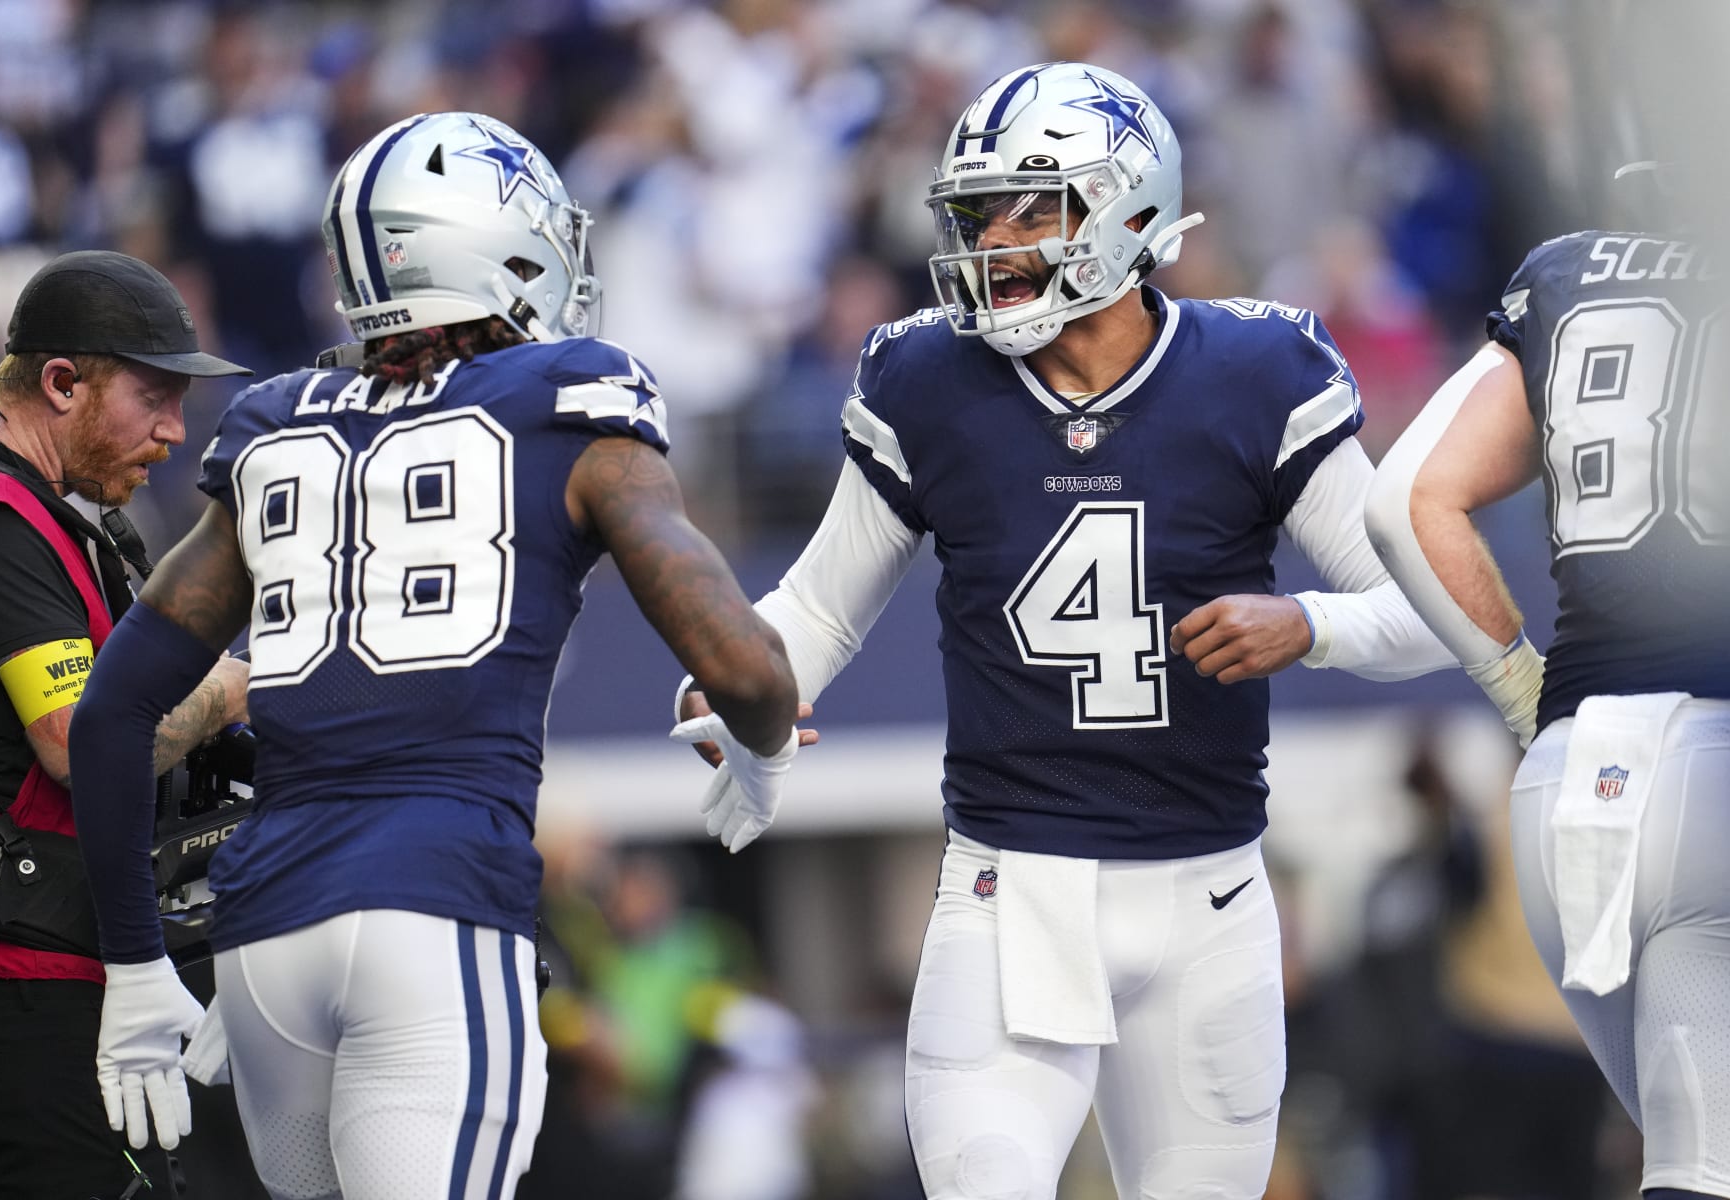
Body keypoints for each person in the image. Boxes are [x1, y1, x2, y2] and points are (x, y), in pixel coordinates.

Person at [673, 61, 1455, 1199]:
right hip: (1006, 897)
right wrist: (737, 684)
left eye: (1029, 208)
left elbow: (1432, 609)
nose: (994, 240)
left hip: (1211, 902)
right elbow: (819, 607)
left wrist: (1310, 624)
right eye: (982, 212)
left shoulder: (1257, 370)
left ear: (1127, 211)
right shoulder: (926, 378)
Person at [66, 111, 803, 1200]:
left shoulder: (278, 425)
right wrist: (765, 747)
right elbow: (746, 670)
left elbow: (107, 718)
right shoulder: (571, 401)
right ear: (492, 250)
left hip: (266, 940)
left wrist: (133, 965)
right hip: (438, 906)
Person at [1366, 216, 1730, 1196]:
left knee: (1693, 1156)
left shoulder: (1572, 269)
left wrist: (1525, 694)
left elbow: (1407, 500)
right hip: (1716, 773)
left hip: (1574, 780)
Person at [0, 250, 252, 1199]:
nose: (175, 430)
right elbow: (80, 740)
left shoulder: (29, 508)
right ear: (62, 383)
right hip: (1, 973)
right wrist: (229, 696)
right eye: (153, 397)